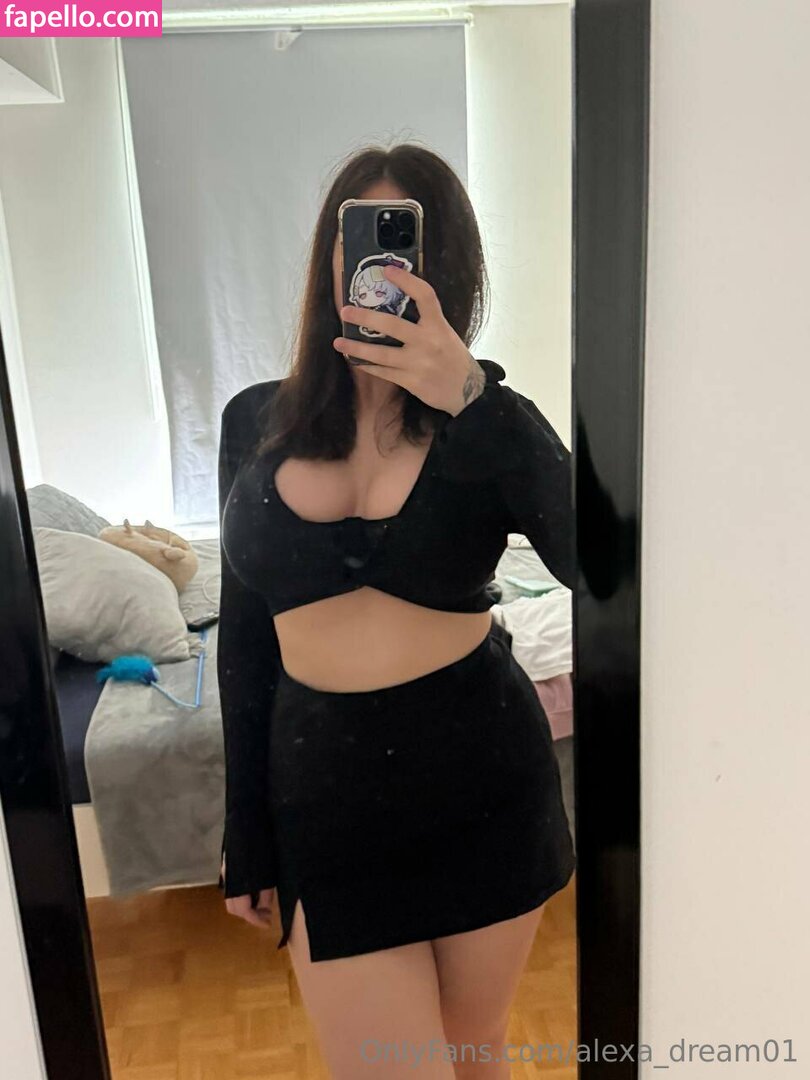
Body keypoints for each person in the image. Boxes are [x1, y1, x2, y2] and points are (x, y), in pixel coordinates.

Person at [216, 144, 575, 1080]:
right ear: (331, 261)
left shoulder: (488, 420)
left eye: (407, 244)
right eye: (360, 242)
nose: (380, 269)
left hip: (486, 781)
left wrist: (472, 396)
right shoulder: (257, 422)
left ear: (446, 267)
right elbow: (243, 638)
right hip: (326, 796)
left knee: (475, 1052)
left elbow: (601, 569)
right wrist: (245, 828)